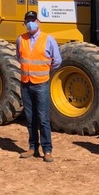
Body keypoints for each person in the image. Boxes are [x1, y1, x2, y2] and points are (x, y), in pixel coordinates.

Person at [16, 11, 62, 163]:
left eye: (32, 20)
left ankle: (47, 150)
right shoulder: (20, 39)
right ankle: (32, 147)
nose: (30, 23)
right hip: (26, 83)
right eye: (27, 20)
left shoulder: (48, 39)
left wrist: (45, 70)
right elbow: (19, 57)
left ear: (38, 21)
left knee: (43, 119)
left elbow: (57, 61)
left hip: (41, 83)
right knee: (30, 118)